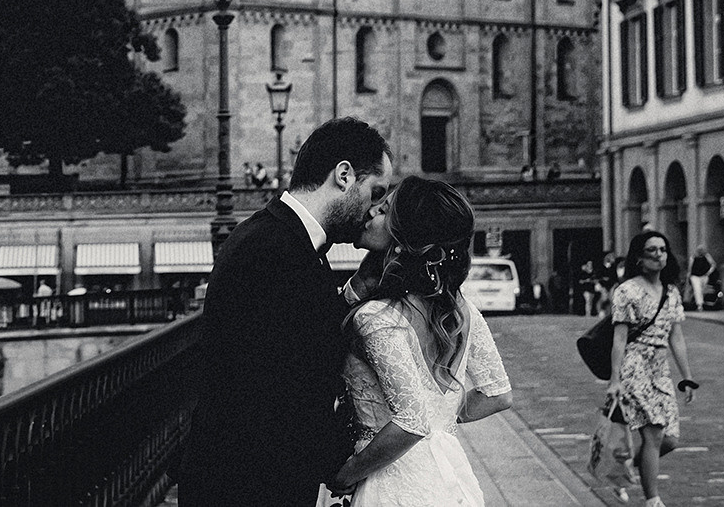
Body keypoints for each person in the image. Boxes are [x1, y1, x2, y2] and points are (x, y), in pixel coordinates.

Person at [177, 117, 396, 507]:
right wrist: (339, 464)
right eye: (376, 191)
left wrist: (356, 290)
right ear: (343, 176)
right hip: (245, 483)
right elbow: (287, 385)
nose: (376, 208)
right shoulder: (273, 250)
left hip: (249, 474)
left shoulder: (283, 237)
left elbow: (298, 331)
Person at [329, 177, 513, 505]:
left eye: (383, 210)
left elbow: (411, 423)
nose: (370, 212)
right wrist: (441, 416)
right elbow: (498, 395)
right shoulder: (462, 311)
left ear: (405, 239)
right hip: (448, 476)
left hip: (391, 483)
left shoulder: (377, 318)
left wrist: (346, 474)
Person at [604, 230, 698, 507]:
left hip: (660, 369)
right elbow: (619, 339)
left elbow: (676, 337)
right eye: (652, 251)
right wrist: (614, 379)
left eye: (663, 250)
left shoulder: (671, 292)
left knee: (669, 440)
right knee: (654, 433)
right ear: (639, 259)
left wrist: (687, 377)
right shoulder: (627, 291)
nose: (659, 255)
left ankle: (623, 471)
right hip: (634, 365)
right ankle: (653, 500)